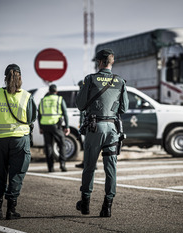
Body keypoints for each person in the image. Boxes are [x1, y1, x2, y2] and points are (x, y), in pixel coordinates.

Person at [75, 48, 129, 217]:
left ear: (98, 62)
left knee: (89, 167)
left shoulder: (90, 79)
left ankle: (85, 203)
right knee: (110, 168)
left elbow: (80, 104)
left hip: (95, 128)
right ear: (111, 62)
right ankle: (107, 206)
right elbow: (124, 108)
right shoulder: (120, 81)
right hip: (112, 129)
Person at [0, 63, 37, 220]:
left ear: (5, 78)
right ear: (20, 77)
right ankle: (11, 210)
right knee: (16, 174)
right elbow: (32, 118)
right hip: (19, 140)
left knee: (0, 175)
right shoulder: (26, 96)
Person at [38, 84, 70, 172]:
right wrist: (67, 126)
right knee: (62, 144)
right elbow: (65, 114)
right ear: (56, 91)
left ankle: (50, 167)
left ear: (49, 91)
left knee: (48, 146)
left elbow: (39, 115)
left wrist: (40, 127)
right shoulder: (59, 99)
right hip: (56, 125)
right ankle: (62, 165)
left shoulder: (43, 100)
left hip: (45, 125)